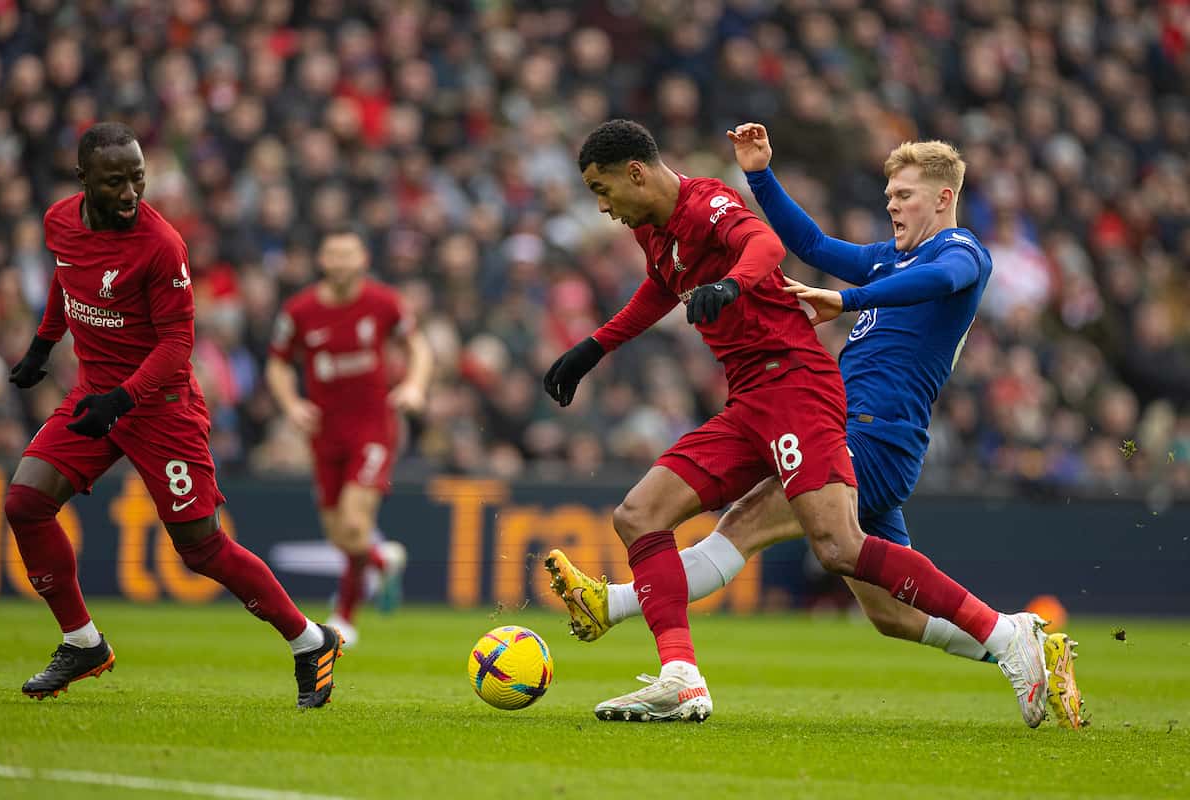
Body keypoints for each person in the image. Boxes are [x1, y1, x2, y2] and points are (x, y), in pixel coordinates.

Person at [546, 123, 1083, 728]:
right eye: (888, 196)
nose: (891, 206)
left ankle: (1009, 636)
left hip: (872, 428)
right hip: (806, 408)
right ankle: (1021, 641)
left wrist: (845, 300)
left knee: (793, 536)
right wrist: (760, 175)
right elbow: (809, 242)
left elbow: (927, 281)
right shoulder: (887, 259)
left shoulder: (960, 254)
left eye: (903, 195)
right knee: (889, 613)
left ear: (942, 198)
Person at [5, 122, 342, 708]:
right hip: (95, 394)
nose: (131, 192)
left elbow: (175, 347)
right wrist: (42, 344)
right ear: (84, 180)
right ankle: (81, 641)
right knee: (25, 503)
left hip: (160, 408)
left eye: (138, 177)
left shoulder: (162, 246)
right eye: (115, 182)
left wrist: (121, 401)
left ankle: (310, 640)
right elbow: (64, 279)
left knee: (201, 547)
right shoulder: (59, 220)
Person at [266, 225, 432, 646]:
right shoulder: (300, 311)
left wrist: (413, 385)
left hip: (373, 426)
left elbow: (418, 347)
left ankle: (344, 615)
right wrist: (291, 404)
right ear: (322, 261)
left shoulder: (382, 302)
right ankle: (381, 559)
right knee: (339, 533)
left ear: (363, 260)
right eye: (333, 255)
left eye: (348, 255)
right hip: (324, 431)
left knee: (355, 521)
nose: (340, 262)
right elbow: (278, 364)